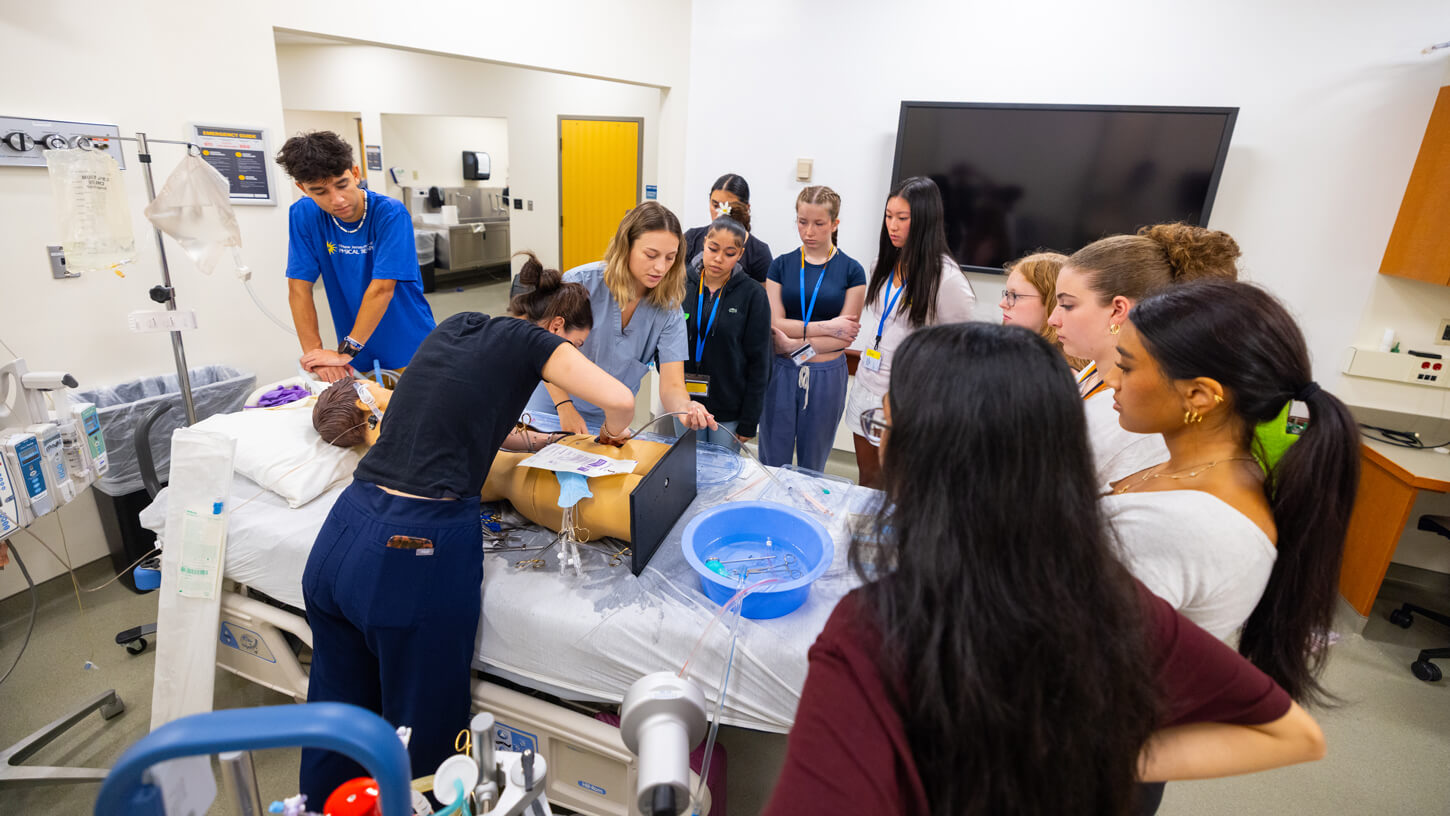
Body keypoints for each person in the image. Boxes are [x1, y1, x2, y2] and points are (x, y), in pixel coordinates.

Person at [763, 323, 1326, 816]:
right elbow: (1294, 733)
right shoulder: (1117, 602)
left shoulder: (871, 631)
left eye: (885, 425)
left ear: (925, 452)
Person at [298, 251, 635, 805]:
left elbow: (474, 424)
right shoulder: (537, 344)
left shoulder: (458, 326)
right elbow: (620, 400)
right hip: (413, 549)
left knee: (337, 719)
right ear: (555, 330)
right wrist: (612, 435)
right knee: (423, 744)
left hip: (344, 532)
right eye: (572, 347)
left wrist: (547, 442)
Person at [1105, 280, 1360, 705]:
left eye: (1127, 367)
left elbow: (1081, 661)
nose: (1112, 379)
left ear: (1200, 395)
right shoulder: (1213, 470)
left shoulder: (1181, 527)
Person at [1048, 223, 1240, 483]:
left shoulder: (1137, 412)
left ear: (1117, 310)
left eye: (1067, 305)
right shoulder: (1094, 369)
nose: (1052, 320)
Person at [522, 202, 717, 435]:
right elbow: (542, 350)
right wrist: (564, 408)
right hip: (553, 406)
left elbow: (672, 385)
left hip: (608, 419)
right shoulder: (581, 283)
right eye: (651, 255)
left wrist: (686, 407)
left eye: (670, 258)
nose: (660, 267)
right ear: (626, 247)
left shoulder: (668, 310)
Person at [845, 176, 976, 488]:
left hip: (907, 399)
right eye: (889, 216)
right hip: (867, 383)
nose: (893, 225)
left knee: (897, 486)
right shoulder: (883, 263)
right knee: (867, 478)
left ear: (925, 221)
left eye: (902, 218)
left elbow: (963, 349)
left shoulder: (945, 279)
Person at [277, 131, 436, 383]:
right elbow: (298, 288)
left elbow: (382, 289)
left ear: (355, 173)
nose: (337, 200)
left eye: (342, 184)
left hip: (409, 346)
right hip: (356, 352)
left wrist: (346, 350)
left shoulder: (389, 214)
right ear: (302, 188)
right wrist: (315, 354)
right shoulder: (303, 215)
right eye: (320, 192)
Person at [759, 186, 865, 470]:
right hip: (781, 371)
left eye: (819, 224)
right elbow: (775, 323)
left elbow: (845, 338)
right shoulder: (781, 265)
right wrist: (829, 326)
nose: (809, 231)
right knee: (772, 461)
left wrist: (795, 344)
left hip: (826, 375)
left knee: (812, 463)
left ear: (834, 224)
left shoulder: (852, 270)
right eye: (802, 222)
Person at [677, 206, 772, 447]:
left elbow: (760, 362)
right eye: (713, 249)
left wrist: (750, 419)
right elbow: (664, 344)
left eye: (729, 253)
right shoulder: (680, 286)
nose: (719, 259)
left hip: (729, 409)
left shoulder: (752, 295)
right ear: (704, 242)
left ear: (740, 254)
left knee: (722, 477)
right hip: (683, 401)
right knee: (686, 470)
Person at [999, 250, 1086, 369]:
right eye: (1007, 294)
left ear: (1053, 303)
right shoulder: (1017, 353)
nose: (1003, 304)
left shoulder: (1058, 372)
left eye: (1016, 296)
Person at [683, 173, 773, 283]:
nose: (720, 213)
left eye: (728, 208)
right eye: (715, 205)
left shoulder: (759, 252)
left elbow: (763, 297)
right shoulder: (692, 238)